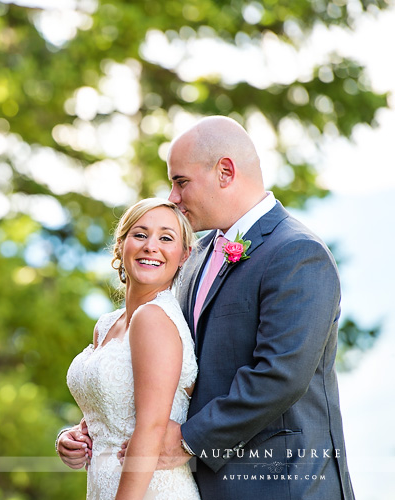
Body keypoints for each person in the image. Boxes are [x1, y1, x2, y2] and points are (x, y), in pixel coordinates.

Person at [58, 116, 355, 499]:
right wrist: (94, 425)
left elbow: (280, 375)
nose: (172, 197)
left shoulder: (297, 253)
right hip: (200, 483)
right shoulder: (193, 256)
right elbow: (166, 369)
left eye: (180, 181)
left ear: (225, 172)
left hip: (281, 484)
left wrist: (186, 439)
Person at [65, 198, 200, 500]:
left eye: (166, 238)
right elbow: (111, 409)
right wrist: (74, 437)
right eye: (140, 234)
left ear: (184, 255)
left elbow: (151, 428)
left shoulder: (155, 318)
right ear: (121, 244)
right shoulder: (106, 324)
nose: (151, 246)